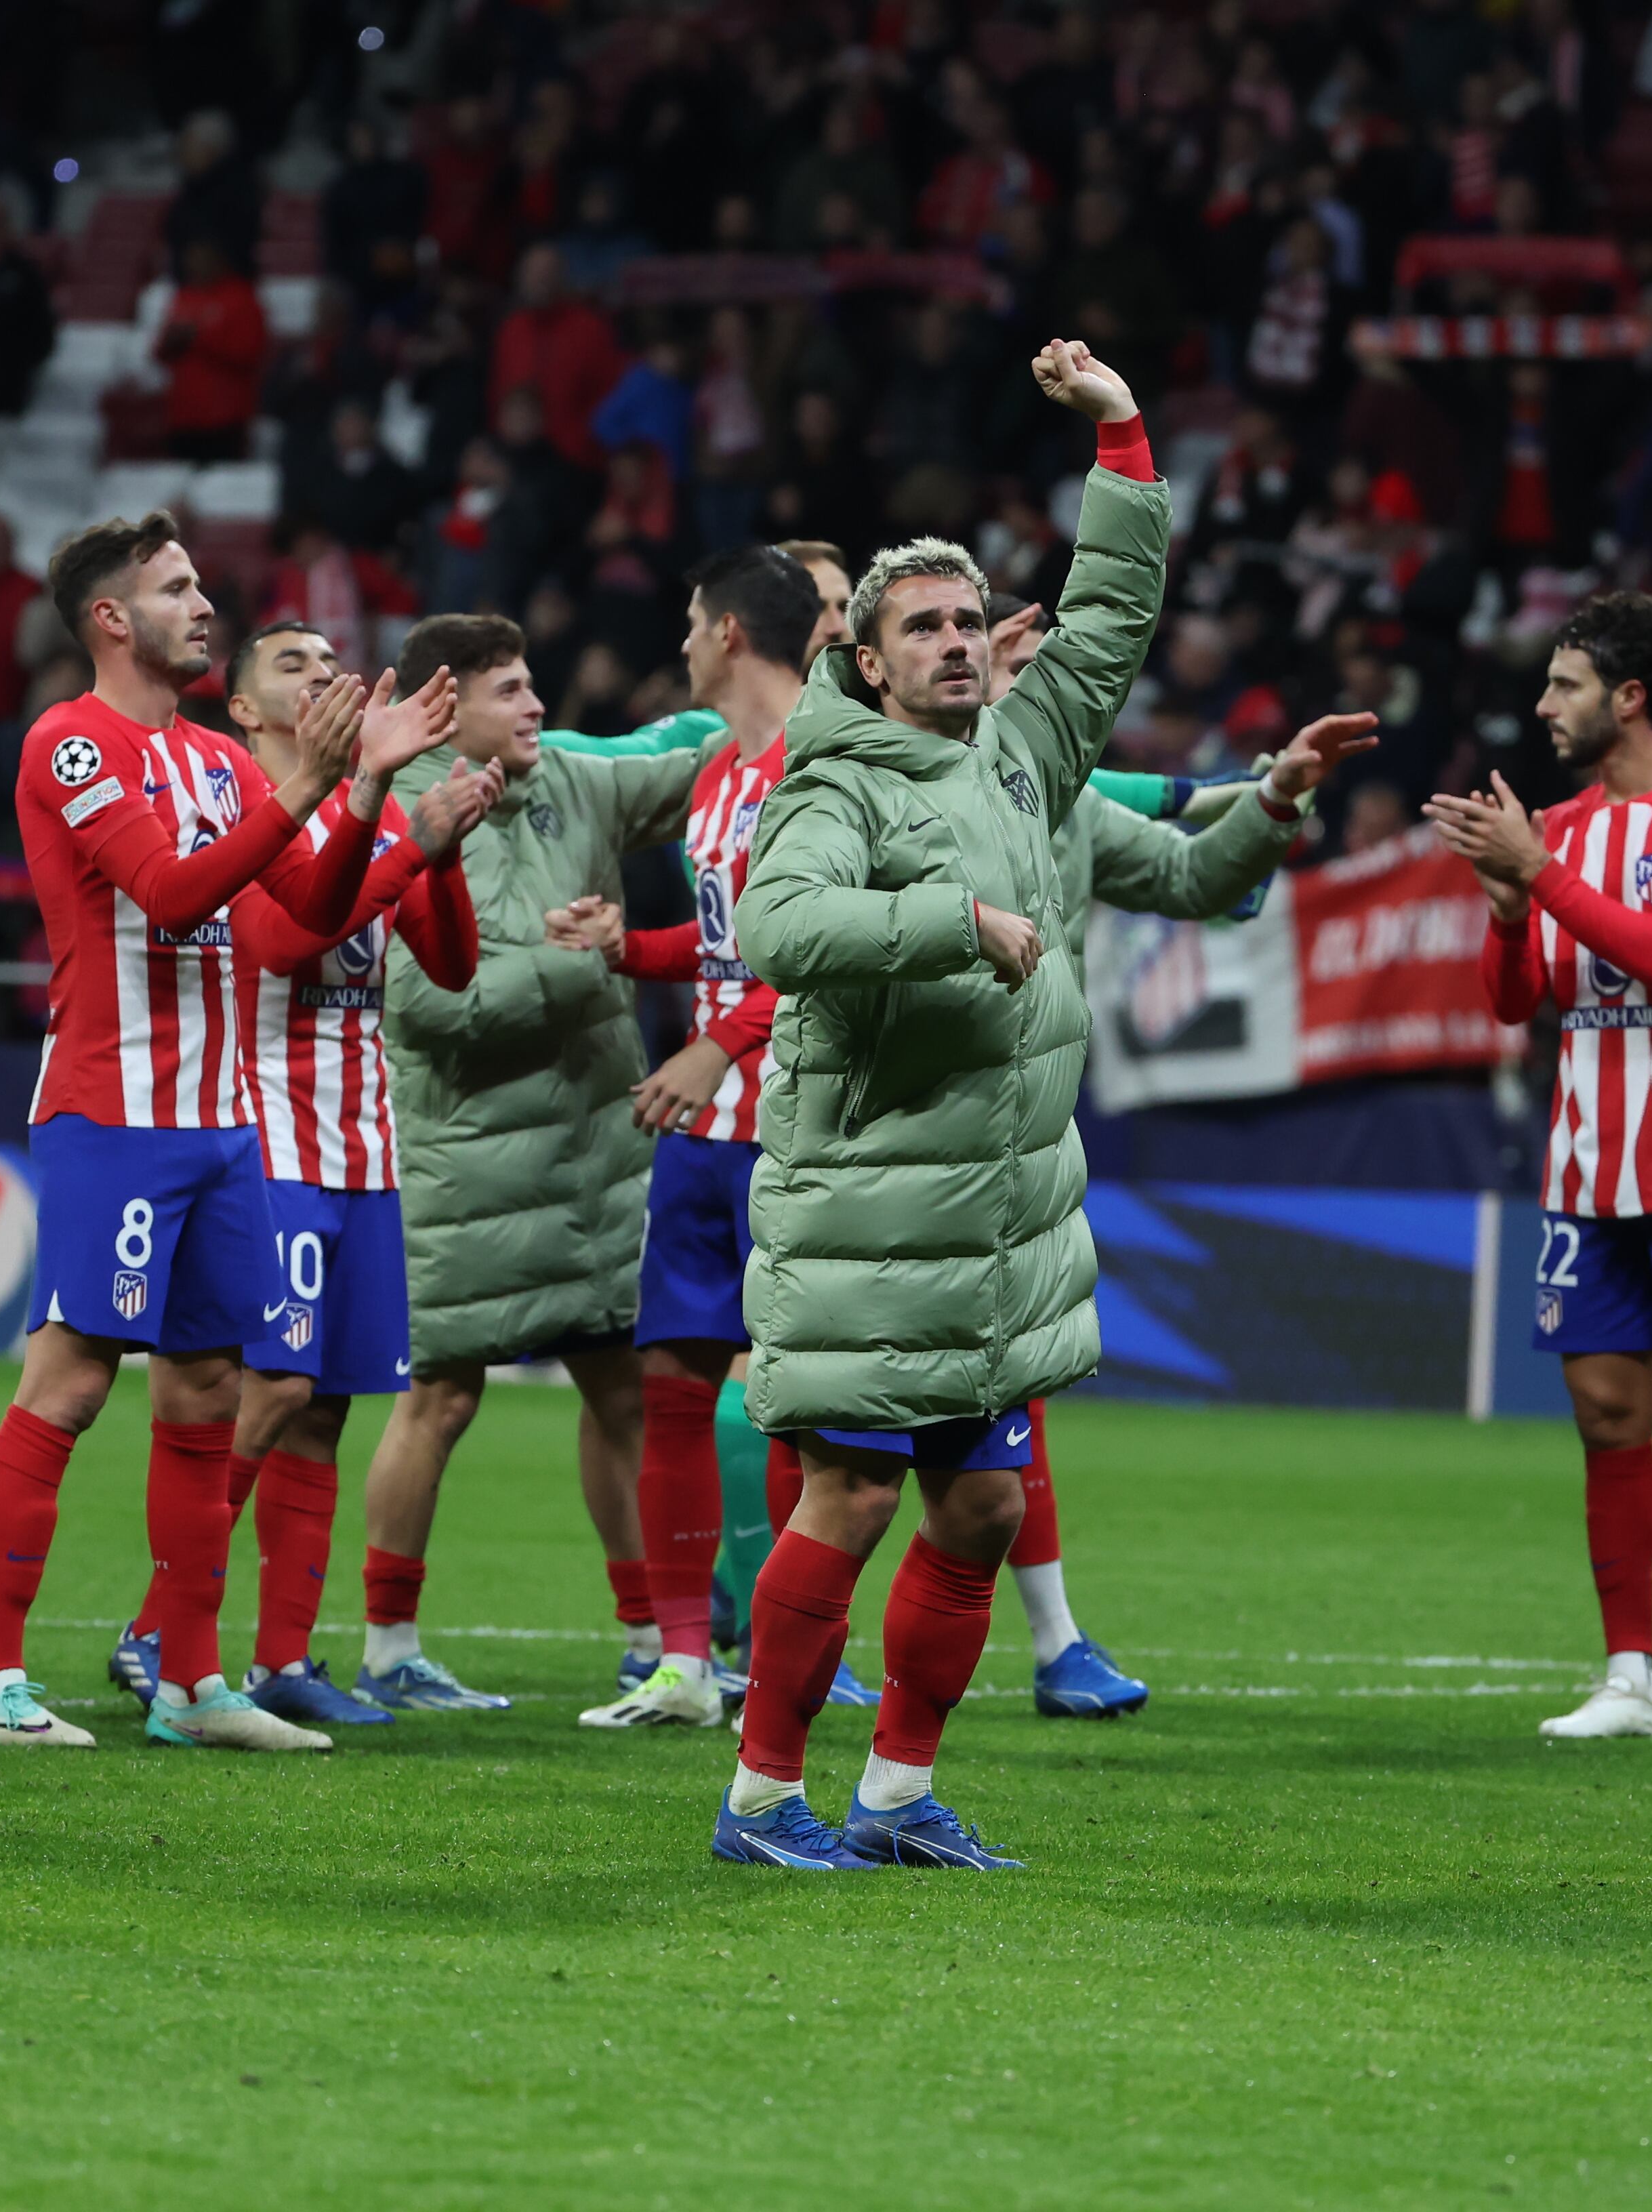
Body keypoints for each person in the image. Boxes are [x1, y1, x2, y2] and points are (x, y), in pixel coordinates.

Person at [717, 340, 1373, 1872]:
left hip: (996, 1233)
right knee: (854, 1495)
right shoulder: (835, 783)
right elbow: (777, 931)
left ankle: (895, 1799)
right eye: (922, 629)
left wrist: (1125, 437)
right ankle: (759, 1803)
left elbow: (1112, 616)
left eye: (966, 621)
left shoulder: (1024, 758)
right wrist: (950, 921)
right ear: (865, 663)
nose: (956, 643)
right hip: (871, 1217)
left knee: (986, 1513)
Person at [0, 512, 453, 1755]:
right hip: (113, 1116)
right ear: (112, 619)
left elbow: (316, 909)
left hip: (230, 1126)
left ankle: (191, 1685)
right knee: (70, 1385)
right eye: (176, 589)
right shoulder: (68, 745)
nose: (204, 606)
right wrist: (309, 781)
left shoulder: (218, 766)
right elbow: (174, 900)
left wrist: (372, 784)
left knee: (210, 1391)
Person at [102, 619, 494, 1736]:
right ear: (243, 710)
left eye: (334, 665)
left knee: (321, 1410)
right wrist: (402, 837)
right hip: (266, 1139)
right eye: (293, 666)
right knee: (267, 1390)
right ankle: (156, 1630)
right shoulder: (240, 812)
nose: (323, 677)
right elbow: (278, 942)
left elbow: (453, 968)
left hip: (363, 1146)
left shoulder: (354, 817)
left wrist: (443, 845)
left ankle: (282, 1658)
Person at [1422, 592, 1652, 1742]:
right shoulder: (1561, 829)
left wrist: (1537, 877)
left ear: (1628, 698)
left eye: (1564, 685)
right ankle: (1630, 1678)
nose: (1543, 706)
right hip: (1586, 1168)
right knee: (1605, 1416)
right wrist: (1502, 911)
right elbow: (1515, 1004)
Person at [346, 614, 717, 1713]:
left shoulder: (569, 781)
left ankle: (652, 1633)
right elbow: (428, 1005)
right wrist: (584, 972)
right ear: (446, 708)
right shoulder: (399, 814)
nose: (537, 707)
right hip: (470, 1173)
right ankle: (389, 1646)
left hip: (598, 1161)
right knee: (441, 1402)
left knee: (629, 1396)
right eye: (511, 691)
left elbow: (707, 762)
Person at [549, 546, 817, 1732]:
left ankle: (791, 1652)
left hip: (800, 1127)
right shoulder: (716, 772)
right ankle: (683, 1664)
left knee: (803, 1403)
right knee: (671, 1386)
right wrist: (626, 947)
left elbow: (827, 952)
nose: (682, 643)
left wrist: (724, 1045)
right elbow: (726, 946)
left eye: (692, 623)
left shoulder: (828, 764)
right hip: (705, 1132)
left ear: (731, 633)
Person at [1001, 594, 1281, 1723]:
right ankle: (725, 1630)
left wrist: (1281, 796)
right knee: (839, 1410)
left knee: (1008, 1402)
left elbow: (1192, 861)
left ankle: (1052, 1643)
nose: (1029, 678)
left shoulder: (1066, 800)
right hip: (883, 1148)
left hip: (1020, 1148)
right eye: (1016, 657)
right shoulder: (887, 789)